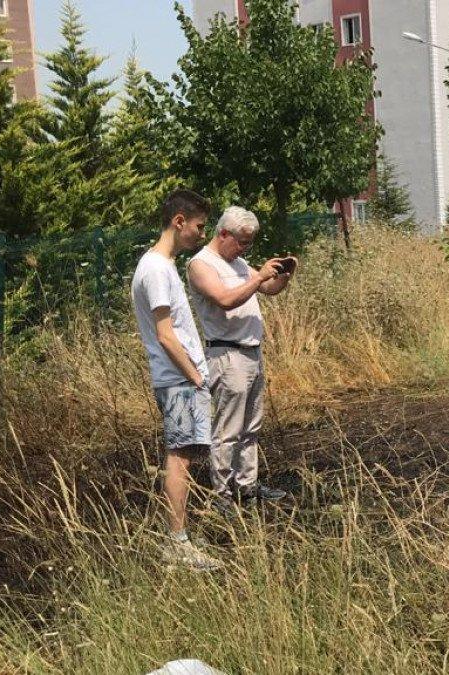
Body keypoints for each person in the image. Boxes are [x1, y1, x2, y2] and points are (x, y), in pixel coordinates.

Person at [131, 189, 222, 571]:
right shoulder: (154, 268)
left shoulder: (162, 266)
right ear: (179, 221)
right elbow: (166, 335)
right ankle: (177, 544)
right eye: (199, 226)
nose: (202, 235)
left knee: (185, 455)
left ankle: (181, 537)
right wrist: (196, 377)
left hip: (181, 380)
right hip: (179, 380)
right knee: (179, 459)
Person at [187, 206, 293, 512]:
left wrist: (283, 275)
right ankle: (221, 495)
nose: (245, 248)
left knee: (251, 427)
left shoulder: (238, 261)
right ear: (224, 234)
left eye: (249, 242)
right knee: (228, 430)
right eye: (242, 241)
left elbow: (268, 289)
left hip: (251, 352)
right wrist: (258, 277)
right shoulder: (201, 265)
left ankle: (248, 486)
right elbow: (225, 299)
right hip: (227, 354)